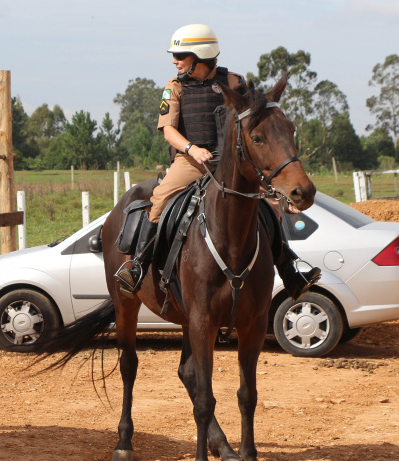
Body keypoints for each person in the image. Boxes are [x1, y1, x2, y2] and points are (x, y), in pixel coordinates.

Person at [115, 23, 321, 301]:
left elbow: (255, 117)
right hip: (191, 162)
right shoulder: (174, 87)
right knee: (160, 199)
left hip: (231, 164)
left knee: (271, 208)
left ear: (199, 55)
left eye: (180, 55)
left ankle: (288, 271)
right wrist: (192, 149)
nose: (174, 61)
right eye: (174, 56)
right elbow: (168, 129)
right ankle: (138, 266)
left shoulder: (235, 82)